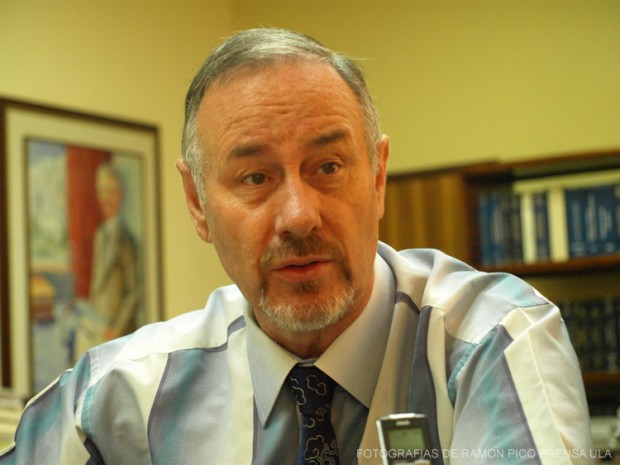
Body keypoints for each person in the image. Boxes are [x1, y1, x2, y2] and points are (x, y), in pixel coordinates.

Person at [0, 28, 592, 465]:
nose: (299, 216)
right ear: (197, 203)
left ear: (378, 176)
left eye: (328, 166)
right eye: (255, 177)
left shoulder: (493, 343)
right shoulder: (118, 398)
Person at [73, 162, 140, 360]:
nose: (106, 198)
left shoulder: (126, 239)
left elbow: (135, 290)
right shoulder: (100, 235)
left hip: (116, 333)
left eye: (111, 192)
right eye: (102, 191)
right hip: (98, 327)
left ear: (120, 195)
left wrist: (117, 328)